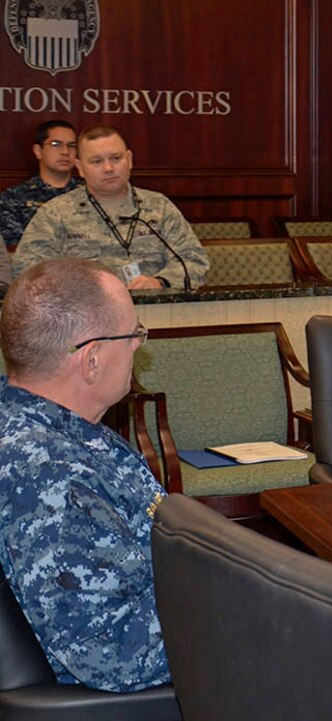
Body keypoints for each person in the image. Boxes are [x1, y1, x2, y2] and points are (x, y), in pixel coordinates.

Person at [0, 258, 171, 692]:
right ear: (91, 359)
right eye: (133, 334)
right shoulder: (51, 477)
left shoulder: (57, 427)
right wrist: (252, 614)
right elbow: (116, 655)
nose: (138, 345)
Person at [14, 125, 209, 290]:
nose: (108, 168)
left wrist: (161, 282)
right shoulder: (56, 213)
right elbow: (28, 271)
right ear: (80, 167)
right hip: (85, 316)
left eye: (116, 158)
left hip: (156, 311)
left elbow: (194, 261)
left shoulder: (159, 206)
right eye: (97, 161)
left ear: (129, 160)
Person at [0, 119, 83, 251]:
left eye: (72, 145)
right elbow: (14, 250)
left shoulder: (91, 193)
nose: (65, 151)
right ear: (38, 151)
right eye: (56, 144)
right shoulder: (13, 199)